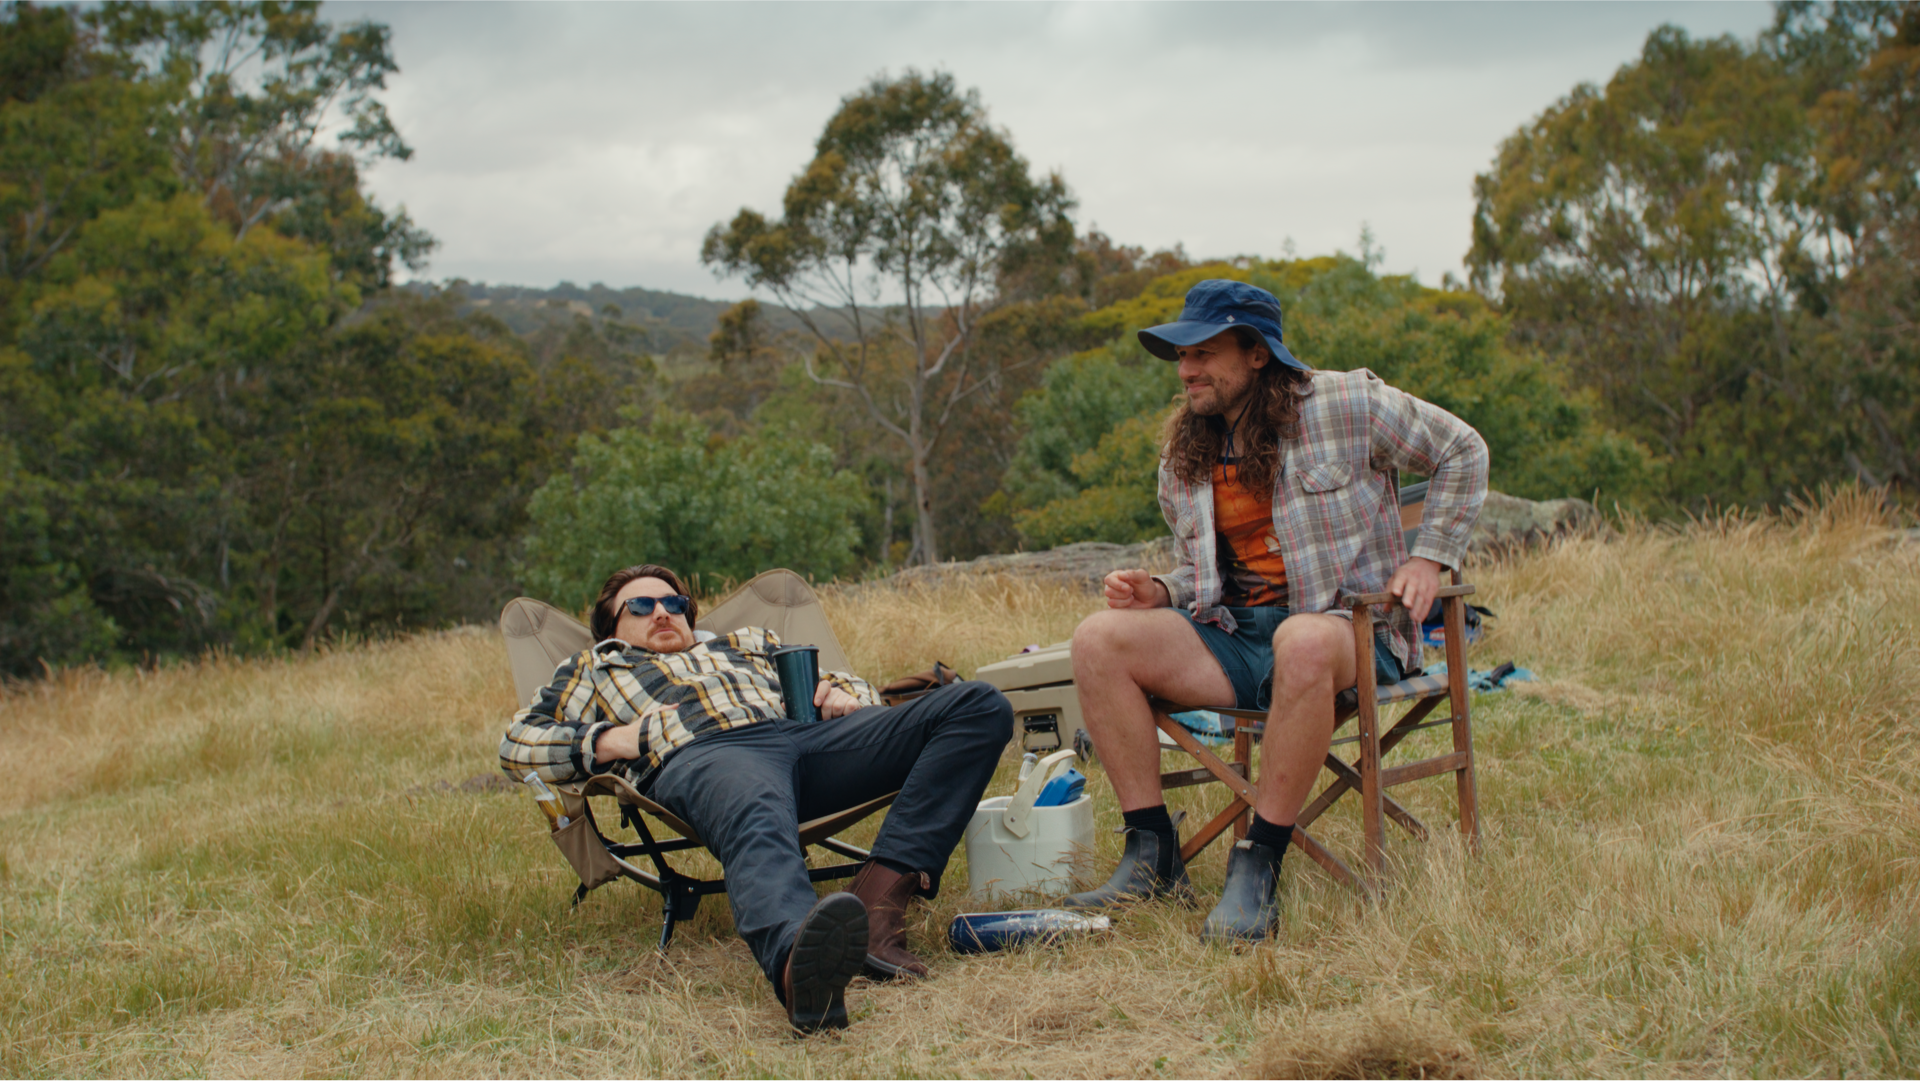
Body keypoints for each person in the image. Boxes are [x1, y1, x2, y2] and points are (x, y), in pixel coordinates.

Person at [1061, 279, 1487, 941]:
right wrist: (1163, 593)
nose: (1187, 370)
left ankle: (1257, 864)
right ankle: (1151, 855)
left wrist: (1429, 556)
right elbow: (1206, 574)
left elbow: (1463, 449)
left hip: (1350, 632)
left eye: (1202, 353)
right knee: (1098, 639)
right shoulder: (1185, 453)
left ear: (1257, 353)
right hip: (1236, 637)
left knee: (1305, 641)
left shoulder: (1346, 403)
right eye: (1180, 356)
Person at [499, 563, 1013, 1033]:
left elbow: (842, 682)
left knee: (977, 705)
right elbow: (517, 745)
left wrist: (844, 693)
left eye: (674, 603)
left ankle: (878, 902)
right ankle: (800, 967)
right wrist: (613, 741)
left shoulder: (747, 642)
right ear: (612, 627)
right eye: (641, 606)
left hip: (810, 738)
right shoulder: (594, 666)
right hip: (709, 755)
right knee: (754, 809)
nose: (662, 611)